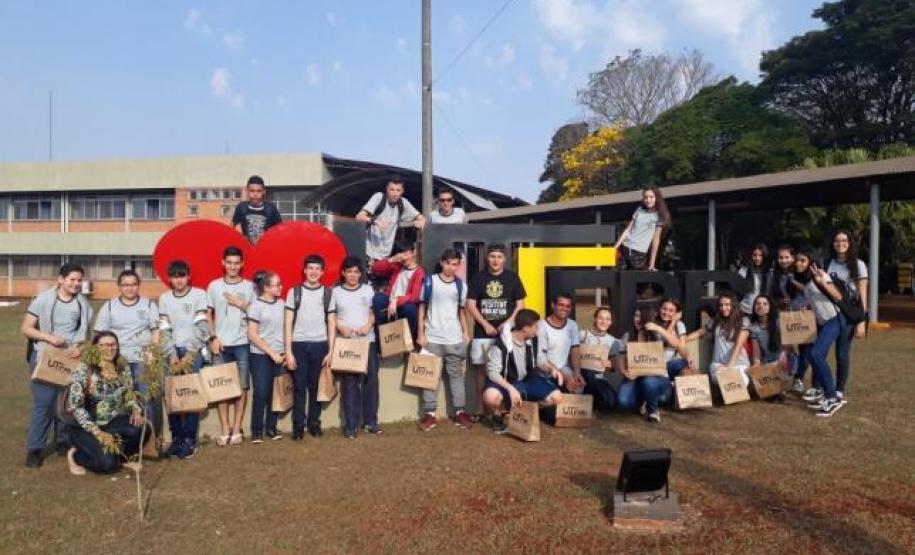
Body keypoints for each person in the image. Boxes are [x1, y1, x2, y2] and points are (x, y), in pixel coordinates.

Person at [21, 262, 93, 468]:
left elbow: (87, 338)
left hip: (71, 360)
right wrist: (49, 338)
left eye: (79, 280)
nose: (76, 284)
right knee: (43, 405)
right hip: (44, 357)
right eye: (72, 279)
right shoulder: (43, 300)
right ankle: (35, 449)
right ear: (61, 279)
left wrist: (80, 349)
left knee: (66, 403)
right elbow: (26, 328)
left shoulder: (83, 305)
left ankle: (63, 441)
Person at [65, 332, 147, 476]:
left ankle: (123, 458)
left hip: (110, 421)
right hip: (84, 426)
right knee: (107, 465)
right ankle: (75, 455)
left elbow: (128, 394)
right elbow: (76, 407)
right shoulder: (85, 370)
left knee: (141, 427)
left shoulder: (122, 368)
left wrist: (135, 409)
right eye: (104, 345)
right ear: (96, 348)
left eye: (113, 344)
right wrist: (97, 433)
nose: (110, 348)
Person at [93, 270, 161, 437]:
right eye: (125, 285)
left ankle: (149, 439)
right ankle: (122, 436)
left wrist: (153, 353)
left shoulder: (148, 305)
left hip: (143, 361)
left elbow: (156, 331)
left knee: (146, 399)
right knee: (119, 399)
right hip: (118, 361)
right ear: (119, 287)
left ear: (138, 286)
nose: (129, 288)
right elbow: (99, 335)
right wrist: (104, 360)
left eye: (133, 284)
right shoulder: (109, 306)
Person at [466, 242, 527, 417]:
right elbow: (470, 304)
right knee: (482, 371)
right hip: (482, 333)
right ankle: (480, 408)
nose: (495, 260)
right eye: (492, 256)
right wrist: (485, 325)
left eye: (499, 257)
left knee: (506, 369)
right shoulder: (478, 278)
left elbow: (520, 304)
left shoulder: (512, 277)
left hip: (507, 334)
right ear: (487, 258)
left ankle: (505, 406)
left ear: (504, 259)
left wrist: (507, 324)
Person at [482, 309, 564, 434]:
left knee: (556, 397)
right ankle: (498, 416)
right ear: (525, 328)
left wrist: (552, 369)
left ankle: (522, 413)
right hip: (506, 382)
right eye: (535, 326)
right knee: (490, 396)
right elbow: (492, 373)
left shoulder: (534, 340)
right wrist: (510, 389)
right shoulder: (500, 344)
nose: (537, 330)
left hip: (526, 381)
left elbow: (540, 360)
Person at [416, 249, 472, 431]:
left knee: (456, 376)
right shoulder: (430, 281)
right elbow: (422, 307)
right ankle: (430, 414)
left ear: (459, 265)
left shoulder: (461, 286)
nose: (451, 267)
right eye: (448, 263)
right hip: (432, 337)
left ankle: (460, 412)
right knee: (430, 377)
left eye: (455, 264)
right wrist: (421, 333)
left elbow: (462, 311)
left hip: (454, 339)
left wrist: (466, 332)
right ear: (442, 262)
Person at [158, 260, 209, 459]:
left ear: (188, 276)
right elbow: (164, 329)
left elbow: (202, 327)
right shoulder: (164, 298)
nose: (179, 280)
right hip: (171, 352)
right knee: (172, 395)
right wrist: (171, 354)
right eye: (175, 276)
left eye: (182, 276)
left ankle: (189, 440)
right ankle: (176, 438)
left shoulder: (198, 295)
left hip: (192, 351)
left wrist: (189, 354)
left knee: (190, 395)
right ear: (170, 279)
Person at [206, 246, 255, 446]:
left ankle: (237, 428)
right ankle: (224, 427)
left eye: (237, 263)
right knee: (223, 388)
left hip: (243, 343)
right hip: (221, 345)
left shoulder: (250, 286)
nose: (233, 266)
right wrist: (213, 337)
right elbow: (208, 314)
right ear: (223, 263)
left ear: (242, 264)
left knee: (242, 387)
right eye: (229, 263)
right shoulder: (214, 286)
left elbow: (257, 312)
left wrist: (240, 304)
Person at [789, 248, 846, 417]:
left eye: (803, 260)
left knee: (816, 354)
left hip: (834, 320)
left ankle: (832, 397)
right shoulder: (806, 281)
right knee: (812, 355)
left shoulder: (819, 275)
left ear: (811, 263)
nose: (798, 263)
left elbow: (838, 296)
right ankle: (827, 395)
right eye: (797, 260)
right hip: (821, 323)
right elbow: (811, 295)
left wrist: (822, 282)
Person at [328, 257, 381, 439]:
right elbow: (331, 316)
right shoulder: (335, 292)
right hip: (347, 343)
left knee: (371, 382)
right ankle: (351, 426)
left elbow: (374, 312)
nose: (353, 275)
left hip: (368, 341)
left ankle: (371, 422)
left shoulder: (367, 290)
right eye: (349, 271)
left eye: (356, 272)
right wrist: (340, 325)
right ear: (343, 273)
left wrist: (369, 325)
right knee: (349, 384)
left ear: (361, 274)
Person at [284, 254, 334, 439]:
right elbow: (288, 322)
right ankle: (298, 426)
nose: (313, 272)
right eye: (310, 268)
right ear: (305, 270)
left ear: (322, 272)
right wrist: (288, 352)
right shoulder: (294, 292)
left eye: (317, 269)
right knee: (299, 387)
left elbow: (331, 322)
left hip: (320, 344)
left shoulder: (328, 293)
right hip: (298, 344)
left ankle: (314, 423)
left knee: (315, 387)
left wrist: (331, 350)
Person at [825, 230, 868, 403]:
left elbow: (862, 295)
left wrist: (861, 321)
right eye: (837, 240)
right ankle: (819, 386)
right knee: (819, 352)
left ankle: (839, 389)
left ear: (850, 243)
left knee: (841, 353)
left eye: (844, 240)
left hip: (849, 315)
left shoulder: (859, 265)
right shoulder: (827, 263)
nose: (840, 243)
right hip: (828, 314)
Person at [246, 270, 286, 443]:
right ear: (267, 287)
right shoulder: (256, 305)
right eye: (277, 284)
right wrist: (271, 353)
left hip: (280, 354)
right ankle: (256, 431)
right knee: (261, 392)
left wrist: (284, 352)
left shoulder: (282, 303)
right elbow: (252, 334)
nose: (280, 287)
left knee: (275, 393)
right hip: (261, 355)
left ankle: (271, 428)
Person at [616, 306, 673, 423]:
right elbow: (621, 357)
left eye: (641, 316)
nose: (637, 319)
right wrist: (623, 371)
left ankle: (653, 410)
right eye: (636, 316)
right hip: (634, 378)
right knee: (623, 402)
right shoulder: (627, 335)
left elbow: (677, 344)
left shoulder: (657, 335)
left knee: (648, 381)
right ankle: (642, 400)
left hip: (656, 377)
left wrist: (659, 328)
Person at [684, 293, 750, 387]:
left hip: (738, 363)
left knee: (741, 381)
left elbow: (738, 345)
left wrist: (729, 367)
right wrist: (683, 340)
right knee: (723, 381)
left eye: (727, 304)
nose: (723, 308)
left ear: (733, 305)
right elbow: (700, 332)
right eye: (721, 305)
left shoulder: (743, 321)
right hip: (718, 364)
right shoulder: (715, 321)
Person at [355, 174, 426, 261]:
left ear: (402, 191)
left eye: (398, 190)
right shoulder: (379, 197)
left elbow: (421, 218)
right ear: (387, 189)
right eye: (392, 190)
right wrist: (375, 221)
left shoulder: (403, 203)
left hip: (386, 256)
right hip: (368, 253)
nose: (395, 193)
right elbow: (359, 217)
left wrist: (420, 222)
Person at [771, 244, 812, 395]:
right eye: (781, 257)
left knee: (804, 349)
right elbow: (772, 297)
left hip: (802, 314)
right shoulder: (775, 275)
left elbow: (809, 291)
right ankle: (781, 379)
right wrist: (779, 302)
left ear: (793, 258)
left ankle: (798, 378)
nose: (784, 260)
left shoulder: (801, 271)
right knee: (784, 349)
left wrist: (793, 280)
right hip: (784, 315)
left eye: (787, 257)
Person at [370, 242, 425, 342]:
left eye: (407, 253)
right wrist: (392, 259)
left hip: (403, 304)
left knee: (409, 308)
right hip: (390, 300)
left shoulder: (419, 271)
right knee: (378, 298)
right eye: (401, 254)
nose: (404, 257)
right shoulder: (397, 266)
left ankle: (408, 341)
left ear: (414, 253)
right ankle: (383, 340)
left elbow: (415, 296)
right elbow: (375, 268)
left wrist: (396, 300)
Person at [613, 187, 672, 271]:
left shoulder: (659, 216)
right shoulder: (639, 210)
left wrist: (652, 264)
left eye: (651, 197)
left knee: (634, 280)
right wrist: (616, 246)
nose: (648, 200)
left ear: (657, 198)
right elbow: (628, 229)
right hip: (624, 248)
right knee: (616, 278)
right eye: (646, 197)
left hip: (638, 253)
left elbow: (656, 240)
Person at [578, 307, 624, 411]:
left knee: (610, 402)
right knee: (590, 374)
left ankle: (591, 401)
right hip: (582, 374)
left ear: (611, 322)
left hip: (600, 376)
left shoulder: (612, 341)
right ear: (594, 319)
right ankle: (587, 403)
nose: (604, 322)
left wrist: (610, 364)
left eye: (607, 319)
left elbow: (614, 366)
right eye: (600, 318)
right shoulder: (582, 335)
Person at [536, 292, 583, 394]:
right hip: (545, 371)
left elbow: (575, 350)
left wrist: (577, 373)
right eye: (561, 305)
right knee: (555, 396)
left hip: (564, 369)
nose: (564, 309)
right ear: (553, 305)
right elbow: (541, 360)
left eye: (567, 306)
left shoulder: (572, 325)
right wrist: (565, 377)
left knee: (579, 388)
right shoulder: (542, 326)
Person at [644, 297, 691, 380]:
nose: (666, 312)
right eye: (664, 309)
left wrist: (672, 323)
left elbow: (683, 352)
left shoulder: (679, 325)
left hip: (671, 365)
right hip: (654, 364)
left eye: (671, 310)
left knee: (681, 363)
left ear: (676, 313)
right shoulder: (652, 323)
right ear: (659, 309)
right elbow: (662, 344)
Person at [231, 175, 282, 244]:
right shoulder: (241, 207)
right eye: (252, 191)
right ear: (247, 191)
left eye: (259, 191)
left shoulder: (271, 208)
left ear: (264, 191)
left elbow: (280, 229)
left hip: (266, 248)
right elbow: (231, 227)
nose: (255, 194)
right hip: (248, 249)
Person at [738, 243, 772, 317]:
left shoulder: (769, 273)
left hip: (764, 311)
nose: (757, 258)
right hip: (746, 310)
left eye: (760, 255)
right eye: (754, 255)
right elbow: (737, 293)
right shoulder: (743, 271)